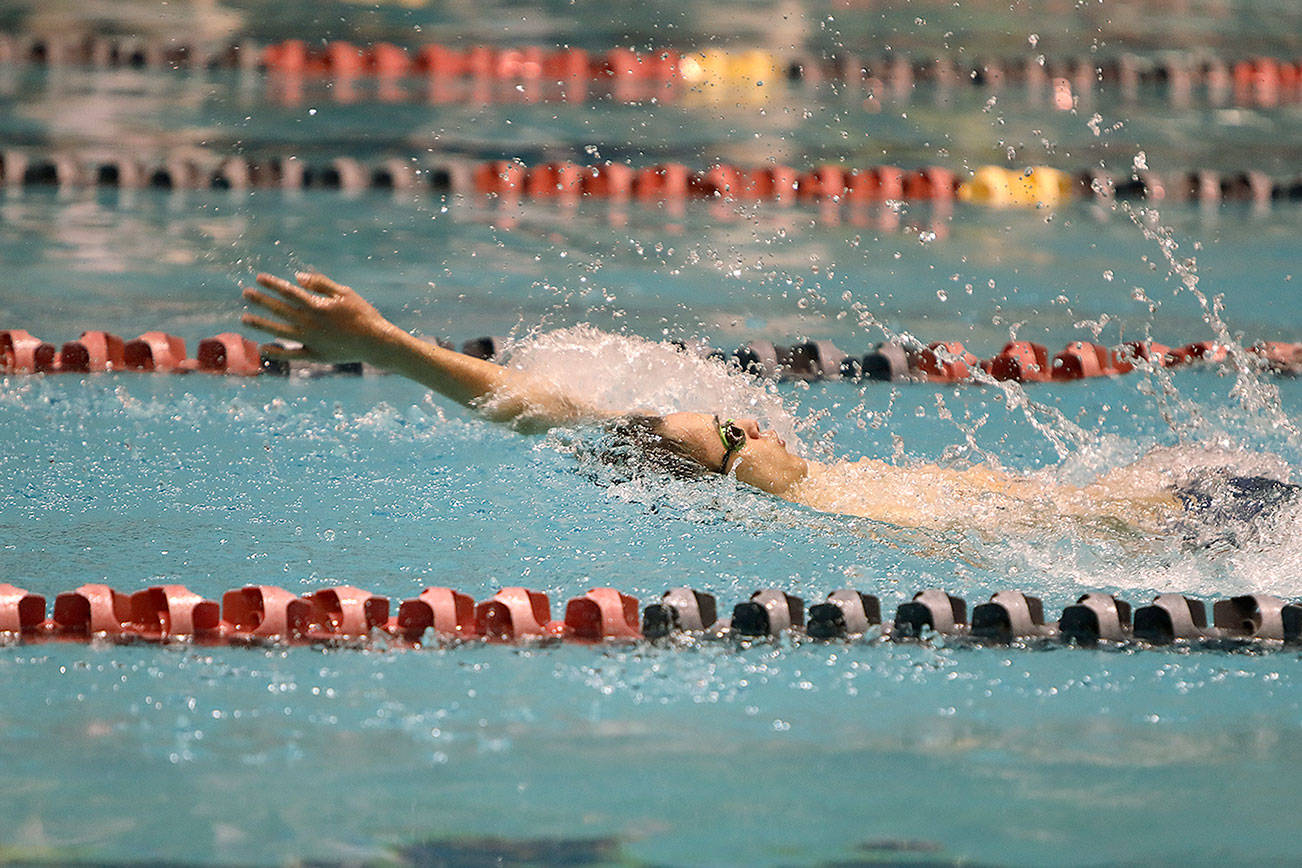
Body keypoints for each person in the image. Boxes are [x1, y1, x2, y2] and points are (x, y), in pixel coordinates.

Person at [242, 271, 1295, 535]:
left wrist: (385, 346)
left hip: (1177, 519)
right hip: (1163, 501)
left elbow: (559, 413)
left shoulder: (752, 467)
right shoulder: (803, 479)